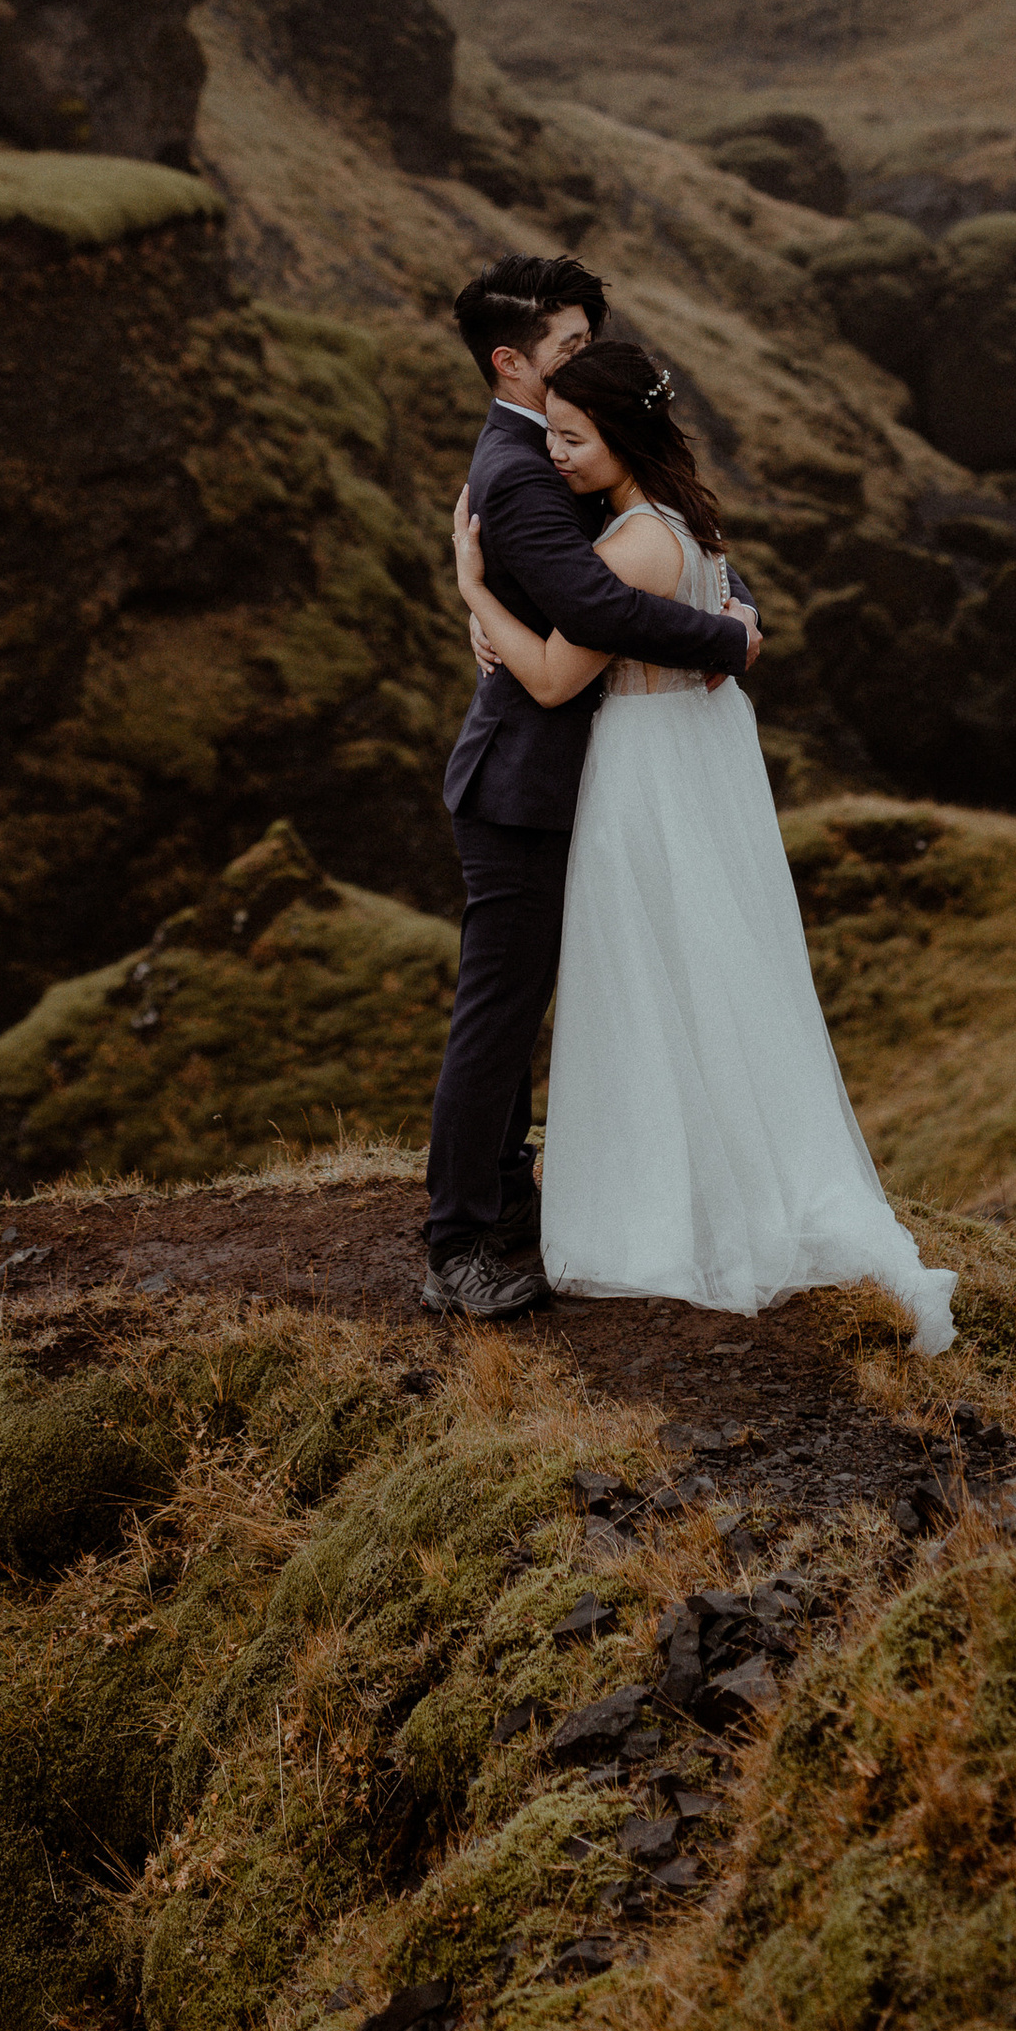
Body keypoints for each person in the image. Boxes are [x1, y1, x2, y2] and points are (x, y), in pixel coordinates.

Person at [451, 333, 957, 1345]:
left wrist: (472, 589)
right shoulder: (686, 523)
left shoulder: (634, 545)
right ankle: (709, 1175)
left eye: (572, 439)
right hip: (677, 763)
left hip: (639, 778)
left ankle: (667, 1208)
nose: (555, 457)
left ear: (623, 433)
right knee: (695, 979)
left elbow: (551, 678)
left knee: (642, 983)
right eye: (547, 436)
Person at [421, 253, 765, 1321]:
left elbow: (673, 533)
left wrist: (735, 605)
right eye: (569, 347)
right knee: (498, 1013)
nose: (588, 360)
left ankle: (507, 1200)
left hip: (590, 783)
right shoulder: (523, 471)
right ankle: (454, 1246)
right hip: (524, 783)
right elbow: (597, 604)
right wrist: (727, 641)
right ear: (510, 363)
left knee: (538, 1006)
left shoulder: (576, 459)